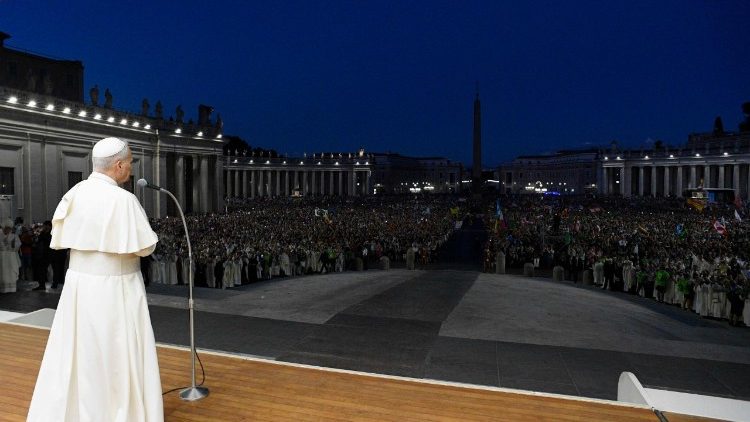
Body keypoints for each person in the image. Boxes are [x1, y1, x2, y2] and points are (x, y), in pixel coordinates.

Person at [28, 137, 163, 422]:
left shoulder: (74, 194)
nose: (130, 169)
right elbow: (145, 246)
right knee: (116, 354)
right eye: (128, 164)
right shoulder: (124, 200)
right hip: (118, 288)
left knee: (79, 353)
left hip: (80, 288)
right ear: (118, 165)